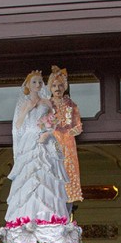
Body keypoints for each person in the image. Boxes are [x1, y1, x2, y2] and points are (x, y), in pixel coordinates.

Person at [5, 70, 70, 224]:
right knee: (29, 173)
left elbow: (55, 122)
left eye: (40, 82)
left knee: (47, 171)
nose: (38, 84)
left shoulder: (47, 102)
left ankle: (49, 213)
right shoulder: (25, 103)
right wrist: (27, 109)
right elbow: (18, 125)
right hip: (29, 139)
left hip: (44, 138)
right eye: (34, 82)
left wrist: (47, 133)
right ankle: (27, 215)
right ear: (28, 85)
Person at [47, 65, 83, 208]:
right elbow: (41, 124)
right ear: (50, 88)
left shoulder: (71, 104)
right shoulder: (47, 105)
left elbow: (77, 124)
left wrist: (74, 130)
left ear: (65, 87)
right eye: (54, 85)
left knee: (68, 170)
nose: (57, 88)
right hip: (53, 139)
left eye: (60, 85)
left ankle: (67, 199)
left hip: (68, 141)